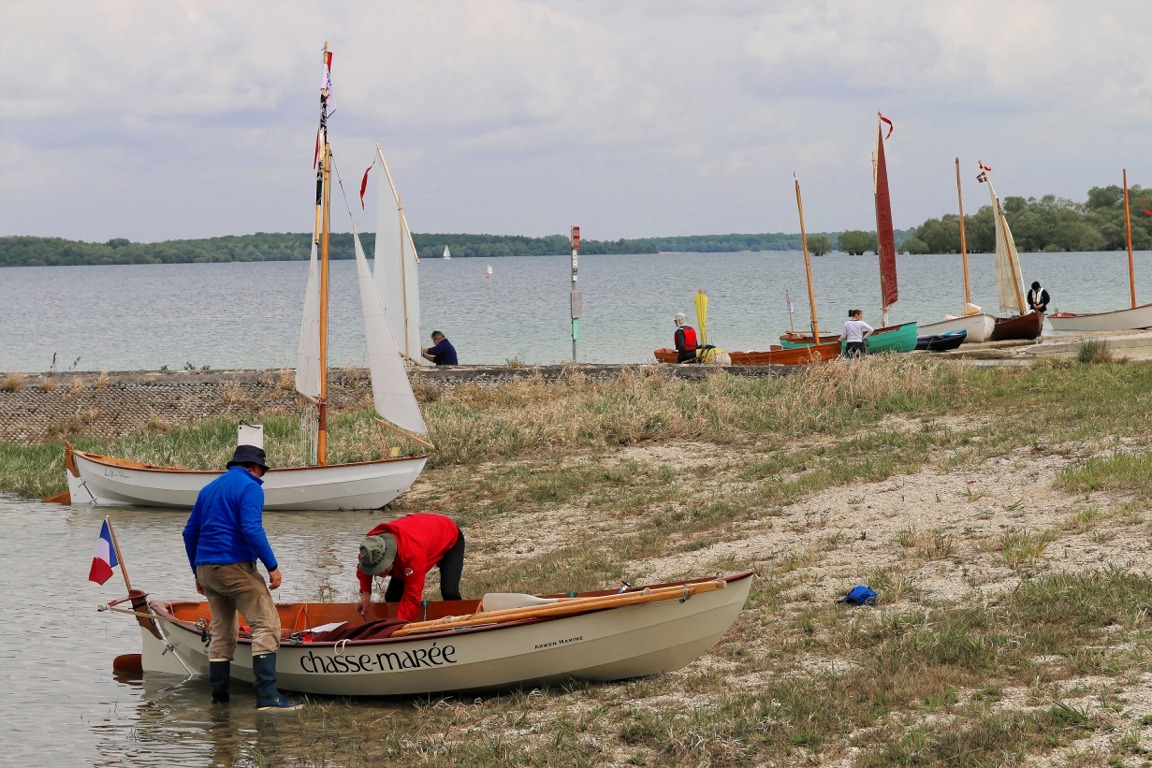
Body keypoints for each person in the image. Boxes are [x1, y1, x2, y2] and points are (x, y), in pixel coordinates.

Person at [182, 445, 302, 711]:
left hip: (207, 569)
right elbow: (251, 528)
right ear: (254, 468)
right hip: (233, 565)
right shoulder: (250, 487)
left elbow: (189, 533)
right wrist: (272, 566)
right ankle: (268, 697)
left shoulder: (208, 489)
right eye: (261, 472)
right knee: (266, 623)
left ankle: (219, 697)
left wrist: (197, 572)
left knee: (222, 630)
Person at [356, 513, 465, 623]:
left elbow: (412, 598)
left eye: (381, 569)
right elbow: (363, 568)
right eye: (375, 571)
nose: (380, 575)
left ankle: (463, 624)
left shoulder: (413, 554)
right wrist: (366, 596)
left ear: (390, 557)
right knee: (392, 598)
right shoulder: (371, 545)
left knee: (449, 592)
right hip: (421, 535)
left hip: (449, 536)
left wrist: (396, 626)